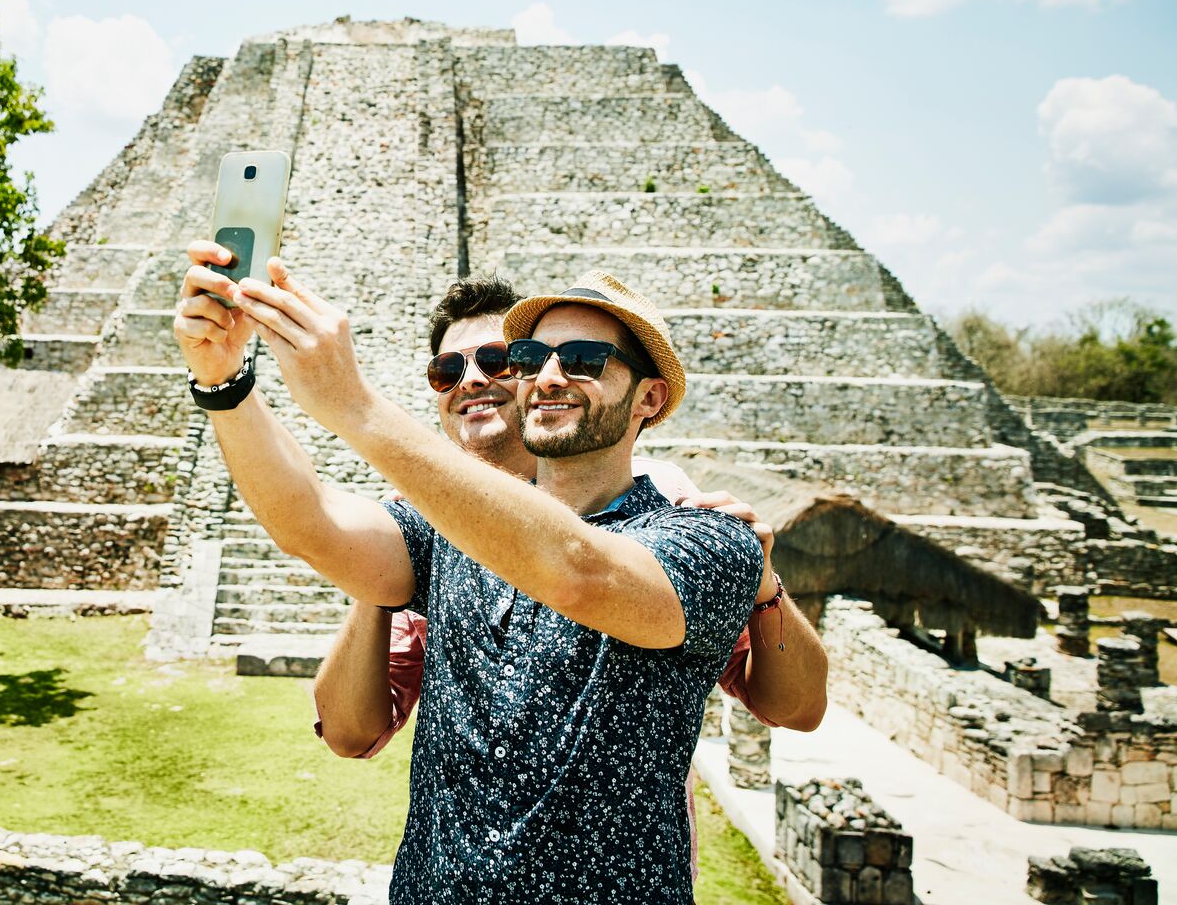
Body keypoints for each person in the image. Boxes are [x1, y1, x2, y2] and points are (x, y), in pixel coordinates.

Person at [176, 249, 767, 904]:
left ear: (646, 398)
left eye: (577, 362)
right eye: (533, 360)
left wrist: (355, 406)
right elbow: (310, 523)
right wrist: (227, 386)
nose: (540, 378)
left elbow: (577, 572)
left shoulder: (710, 534)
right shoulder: (446, 531)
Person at [308, 275, 829, 878]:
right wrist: (386, 573)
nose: (472, 381)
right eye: (447, 370)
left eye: (500, 360)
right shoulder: (424, 529)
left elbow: (793, 705)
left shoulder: (671, 515)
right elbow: (349, 731)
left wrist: (765, 589)